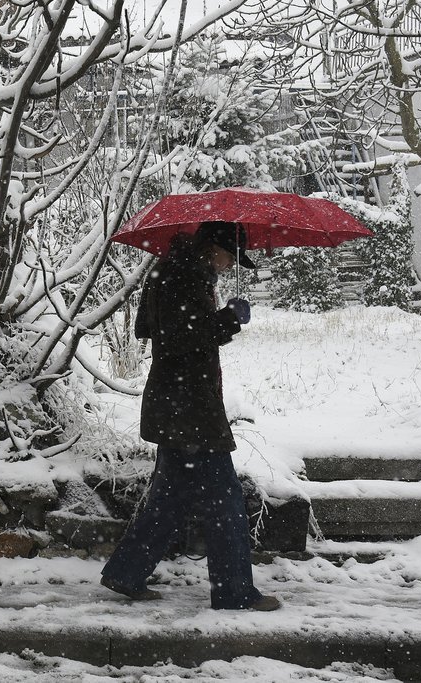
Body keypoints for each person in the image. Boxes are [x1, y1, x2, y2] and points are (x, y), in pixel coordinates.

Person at [100, 220, 281, 612]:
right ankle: (234, 590)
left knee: (171, 498)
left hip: (174, 405)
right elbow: (181, 339)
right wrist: (227, 319)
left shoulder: (169, 269)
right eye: (230, 257)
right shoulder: (186, 275)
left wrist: (214, 316)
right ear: (213, 248)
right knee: (226, 501)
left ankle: (126, 572)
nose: (229, 266)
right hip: (190, 410)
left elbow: (147, 328)